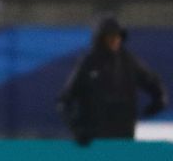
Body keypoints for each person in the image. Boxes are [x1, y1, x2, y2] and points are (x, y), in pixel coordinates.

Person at [58, 16, 167, 144]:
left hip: (123, 136)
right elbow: (64, 101)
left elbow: (151, 80)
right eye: (110, 37)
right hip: (94, 138)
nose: (115, 41)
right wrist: (77, 128)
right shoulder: (88, 63)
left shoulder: (128, 62)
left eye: (117, 37)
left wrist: (159, 99)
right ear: (101, 39)